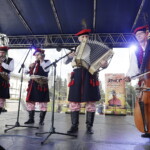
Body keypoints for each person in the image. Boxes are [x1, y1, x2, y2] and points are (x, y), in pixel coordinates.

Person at [65, 29, 108, 134]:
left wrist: (104, 64)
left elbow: (104, 64)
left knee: (90, 101)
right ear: (79, 39)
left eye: (86, 37)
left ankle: (89, 127)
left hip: (90, 74)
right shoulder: (75, 49)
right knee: (74, 101)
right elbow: (66, 62)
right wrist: (69, 56)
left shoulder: (94, 48)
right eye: (82, 37)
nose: (85, 38)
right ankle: (74, 126)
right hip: (77, 74)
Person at [24, 48, 51, 125]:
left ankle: (41, 121)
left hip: (41, 84)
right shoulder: (34, 64)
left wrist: (42, 60)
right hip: (32, 84)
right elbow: (26, 72)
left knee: (42, 102)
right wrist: (29, 67)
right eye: (35, 55)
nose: (36, 56)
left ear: (42, 55)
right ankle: (31, 119)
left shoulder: (47, 62)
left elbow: (46, 70)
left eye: (38, 54)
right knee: (30, 102)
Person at [0, 46, 14, 114]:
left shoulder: (10, 60)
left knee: (1, 98)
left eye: (3, 53)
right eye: (0, 52)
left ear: (6, 53)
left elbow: (11, 69)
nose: (1, 54)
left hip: (3, 81)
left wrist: (2, 63)